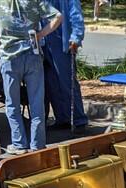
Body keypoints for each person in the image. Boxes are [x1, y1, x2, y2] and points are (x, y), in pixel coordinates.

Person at [0, 0, 62, 154]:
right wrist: (40, 35)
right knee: (36, 102)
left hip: (9, 56)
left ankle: (19, 144)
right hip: (32, 54)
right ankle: (37, 144)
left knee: (12, 103)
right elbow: (58, 17)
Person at [42, 0, 88, 130]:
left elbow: (75, 13)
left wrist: (76, 36)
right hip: (43, 42)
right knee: (52, 84)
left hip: (61, 40)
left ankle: (78, 120)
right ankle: (62, 118)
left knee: (67, 82)